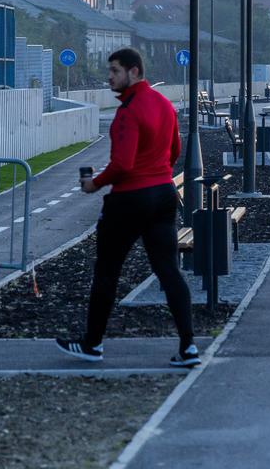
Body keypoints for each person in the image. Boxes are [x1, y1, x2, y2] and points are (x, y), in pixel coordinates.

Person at [56, 48, 199, 368]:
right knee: (169, 271)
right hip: (163, 194)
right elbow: (175, 149)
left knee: (107, 272)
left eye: (115, 70)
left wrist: (94, 184)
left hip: (129, 199)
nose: (110, 76)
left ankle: (92, 344)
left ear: (134, 72)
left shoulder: (129, 112)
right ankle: (189, 346)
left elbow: (122, 164)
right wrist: (157, 172)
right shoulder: (164, 104)